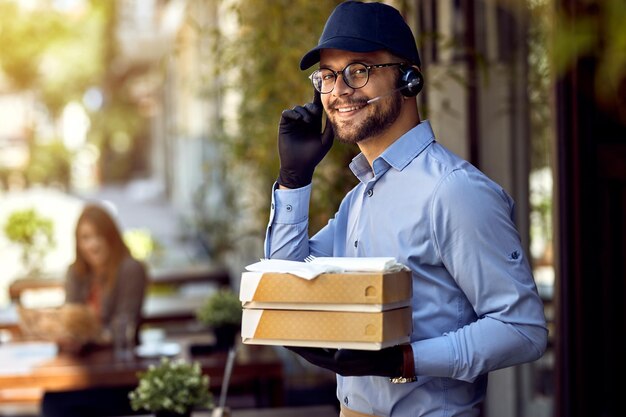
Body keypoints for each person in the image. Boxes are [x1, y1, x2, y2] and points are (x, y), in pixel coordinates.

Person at [265, 2, 548, 416]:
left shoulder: (453, 191)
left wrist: (403, 360)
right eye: (327, 76)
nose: (339, 90)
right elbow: (285, 288)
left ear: (408, 79)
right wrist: (294, 179)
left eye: (358, 70)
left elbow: (522, 330)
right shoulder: (357, 200)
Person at [42, 203, 148, 417]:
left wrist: (87, 334)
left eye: (99, 236)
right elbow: (70, 320)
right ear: (78, 242)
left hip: (118, 373)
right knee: (52, 401)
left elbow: (124, 326)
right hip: (81, 368)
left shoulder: (130, 269)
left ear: (111, 237)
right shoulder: (76, 273)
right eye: (85, 238)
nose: (93, 245)